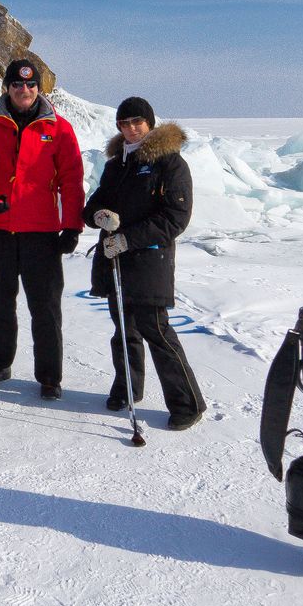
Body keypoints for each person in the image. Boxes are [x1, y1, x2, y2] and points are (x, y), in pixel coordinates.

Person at [82, 96, 207, 430]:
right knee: (124, 329)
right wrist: (98, 215)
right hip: (115, 259)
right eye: (124, 124)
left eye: (137, 122)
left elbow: (175, 217)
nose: (131, 128)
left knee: (156, 330)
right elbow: (94, 204)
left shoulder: (170, 164)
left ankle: (188, 402)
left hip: (150, 258)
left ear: (150, 123)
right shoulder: (116, 164)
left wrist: (128, 238)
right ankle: (127, 388)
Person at [0, 59, 85, 399]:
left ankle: (50, 377)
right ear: (7, 87)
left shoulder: (59, 128)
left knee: (45, 307)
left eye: (31, 85)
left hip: (42, 235)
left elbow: (71, 180)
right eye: (18, 84)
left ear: (39, 89)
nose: (25, 90)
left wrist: (72, 226)